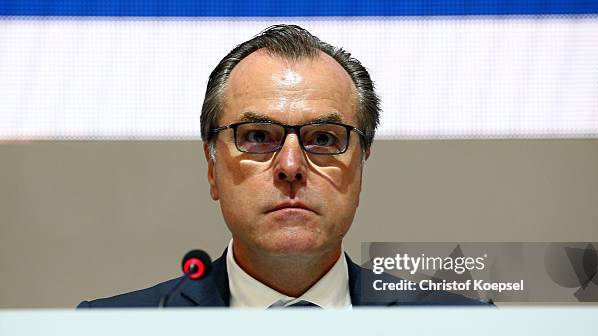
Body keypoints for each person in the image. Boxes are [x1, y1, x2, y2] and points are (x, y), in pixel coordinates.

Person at [78, 25, 485, 309]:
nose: (291, 166)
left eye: (324, 139)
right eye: (256, 136)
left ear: (361, 165)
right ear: (211, 167)